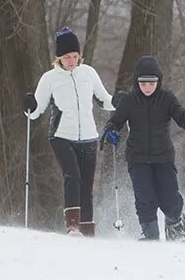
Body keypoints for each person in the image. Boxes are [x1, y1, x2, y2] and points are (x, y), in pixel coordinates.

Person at [23, 27, 116, 237]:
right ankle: (73, 226)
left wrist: (117, 101)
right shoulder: (50, 78)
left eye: (75, 56)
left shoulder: (89, 73)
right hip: (61, 135)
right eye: (67, 57)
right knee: (72, 175)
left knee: (86, 183)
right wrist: (28, 106)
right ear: (59, 58)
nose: (72, 60)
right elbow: (36, 111)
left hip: (89, 137)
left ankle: (87, 229)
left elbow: (104, 100)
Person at [102, 55, 185, 242]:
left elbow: (180, 114)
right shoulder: (129, 101)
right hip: (137, 158)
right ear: (137, 82)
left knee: (169, 197)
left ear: (158, 81)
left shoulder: (167, 98)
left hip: (163, 157)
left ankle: (177, 227)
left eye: (152, 83)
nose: (147, 87)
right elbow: (116, 121)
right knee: (145, 197)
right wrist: (112, 131)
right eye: (143, 83)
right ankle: (150, 235)